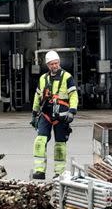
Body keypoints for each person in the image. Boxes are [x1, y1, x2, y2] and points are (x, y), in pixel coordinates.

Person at [31, 50, 78, 179]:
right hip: (45, 114)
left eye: (56, 63)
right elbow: (37, 96)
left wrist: (72, 111)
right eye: (52, 64)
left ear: (59, 63)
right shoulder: (43, 79)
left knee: (60, 145)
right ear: (47, 65)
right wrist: (34, 114)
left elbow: (73, 95)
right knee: (40, 141)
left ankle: (59, 173)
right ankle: (39, 170)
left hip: (62, 116)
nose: (54, 66)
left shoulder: (67, 77)